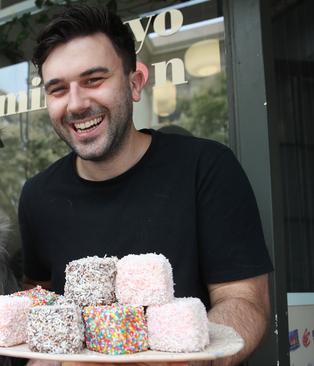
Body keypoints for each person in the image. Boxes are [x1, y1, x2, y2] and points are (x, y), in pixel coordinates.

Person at [19, 4, 273, 366]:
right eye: (58, 89)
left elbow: (244, 302)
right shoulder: (37, 196)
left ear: (135, 83)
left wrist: (180, 359)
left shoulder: (206, 168)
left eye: (93, 80)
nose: (75, 104)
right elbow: (39, 298)